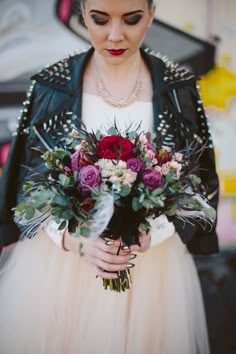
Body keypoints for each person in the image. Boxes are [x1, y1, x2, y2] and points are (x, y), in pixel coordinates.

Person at [0, 0, 219, 353]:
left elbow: (198, 182)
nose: (115, 35)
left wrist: (156, 232)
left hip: (152, 275)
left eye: (131, 19)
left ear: (151, 13)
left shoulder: (178, 88)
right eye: (99, 20)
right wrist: (75, 241)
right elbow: (29, 183)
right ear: (81, 13)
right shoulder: (52, 86)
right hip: (59, 271)